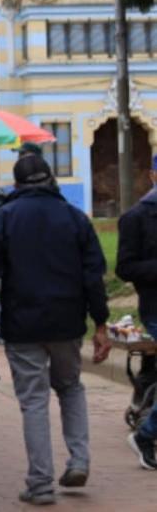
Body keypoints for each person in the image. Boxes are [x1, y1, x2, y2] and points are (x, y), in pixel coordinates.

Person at [0, 155, 111, 505]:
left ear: (16, 184)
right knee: (70, 387)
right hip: (68, 323)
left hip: (22, 324)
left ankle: (40, 486)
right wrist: (100, 323)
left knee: (34, 402)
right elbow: (93, 276)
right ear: (51, 179)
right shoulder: (75, 219)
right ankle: (80, 459)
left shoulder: (2, 219)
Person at [119, 155, 157, 470]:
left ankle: (147, 434)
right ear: (152, 175)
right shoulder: (136, 218)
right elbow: (125, 266)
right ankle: (146, 435)